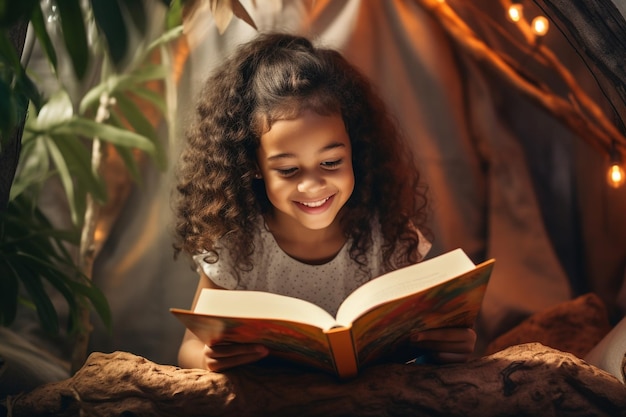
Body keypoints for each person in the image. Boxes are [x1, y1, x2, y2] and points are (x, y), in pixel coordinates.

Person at [174, 32, 477, 371]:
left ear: (355, 151)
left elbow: (431, 337)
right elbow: (189, 349)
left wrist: (452, 346)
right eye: (288, 169)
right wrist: (207, 357)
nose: (312, 185)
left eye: (331, 162)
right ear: (253, 166)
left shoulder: (390, 236)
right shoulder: (237, 249)